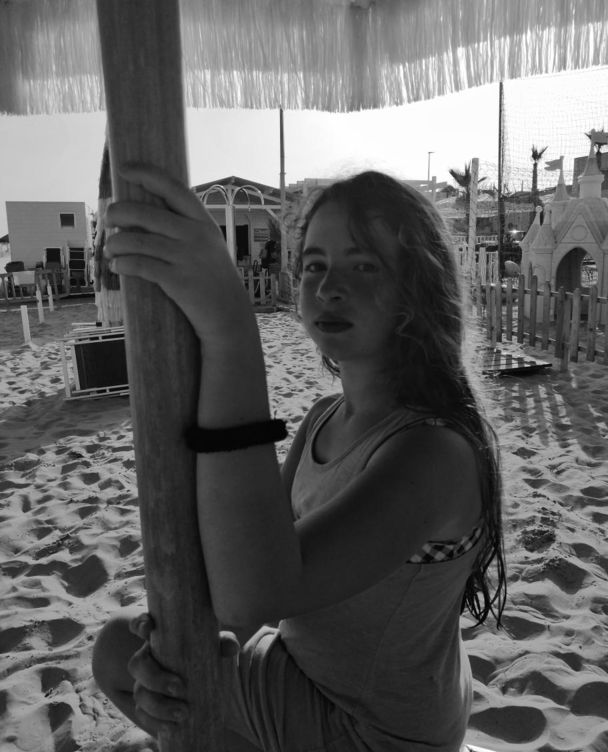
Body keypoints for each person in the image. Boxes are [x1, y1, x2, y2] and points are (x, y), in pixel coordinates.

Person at [93, 167, 506, 752]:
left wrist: (230, 331)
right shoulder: (323, 418)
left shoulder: (433, 452)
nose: (330, 286)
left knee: (116, 651)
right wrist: (191, 642)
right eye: (315, 265)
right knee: (132, 654)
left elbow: (258, 590)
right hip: (309, 675)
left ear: (418, 290)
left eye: (364, 266)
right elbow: (251, 578)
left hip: (376, 731)